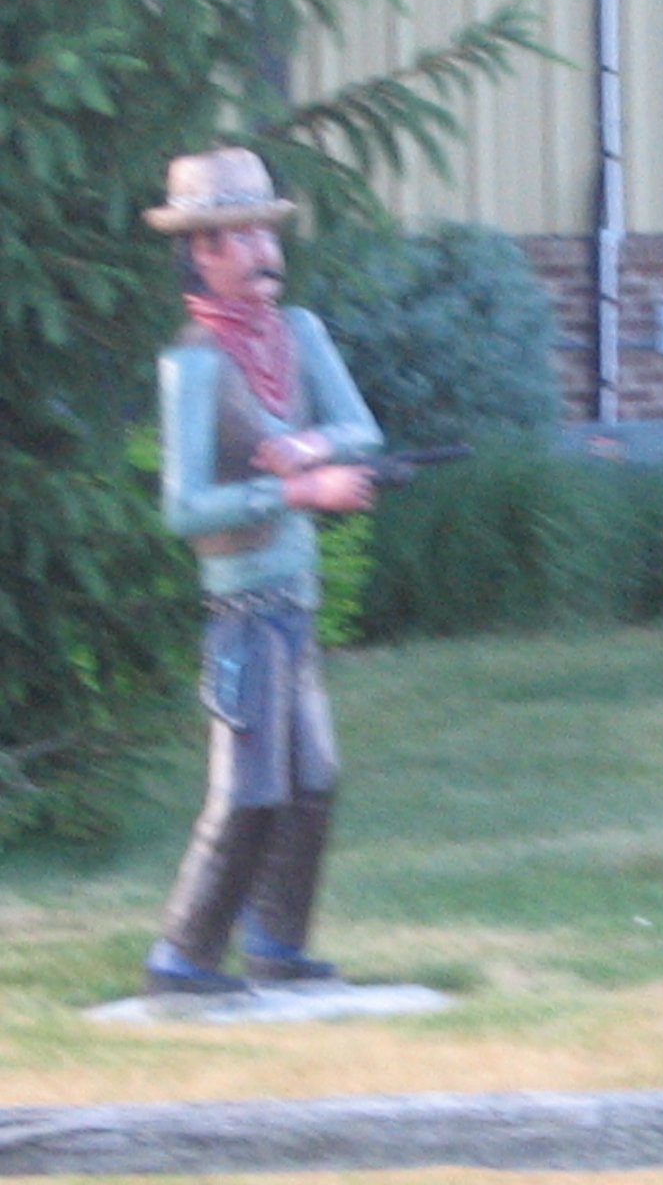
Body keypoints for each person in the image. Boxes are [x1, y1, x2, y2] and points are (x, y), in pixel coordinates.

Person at [141, 147, 383, 995]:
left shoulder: (298, 334)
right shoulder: (195, 365)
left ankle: (277, 943)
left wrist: (307, 446)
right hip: (242, 607)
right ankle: (183, 954)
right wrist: (295, 490)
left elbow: (360, 429)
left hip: (296, 599)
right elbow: (184, 508)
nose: (262, 253)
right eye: (238, 237)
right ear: (201, 251)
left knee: (312, 782)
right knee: (247, 792)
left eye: (265, 233)